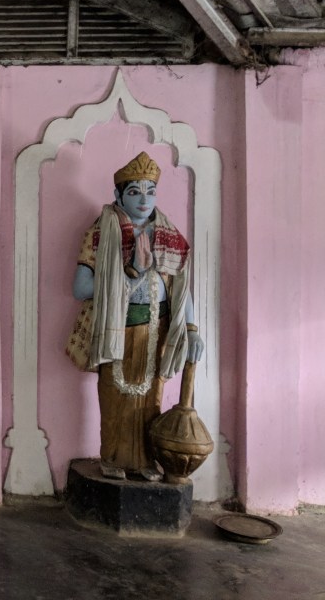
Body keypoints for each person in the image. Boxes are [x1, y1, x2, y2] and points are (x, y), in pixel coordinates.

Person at [70, 151, 204, 481]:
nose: (144, 200)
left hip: (157, 331)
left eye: (150, 191)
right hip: (117, 327)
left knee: (150, 398)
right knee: (114, 396)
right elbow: (80, 288)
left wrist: (192, 329)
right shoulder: (102, 231)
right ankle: (112, 458)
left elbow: (179, 289)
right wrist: (126, 275)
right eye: (134, 192)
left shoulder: (168, 236)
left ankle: (146, 460)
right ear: (118, 195)